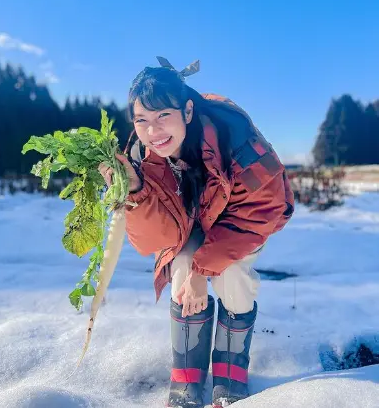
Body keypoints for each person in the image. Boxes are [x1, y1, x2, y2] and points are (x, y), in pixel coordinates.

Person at [99, 57, 294, 408]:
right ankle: (187, 378)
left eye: (163, 117)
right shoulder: (142, 156)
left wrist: (203, 271)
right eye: (141, 120)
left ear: (187, 111)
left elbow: (262, 211)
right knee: (181, 270)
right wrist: (135, 192)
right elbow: (154, 239)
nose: (153, 131)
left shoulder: (237, 142)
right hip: (193, 224)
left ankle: (230, 372)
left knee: (232, 276)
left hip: (241, 223)